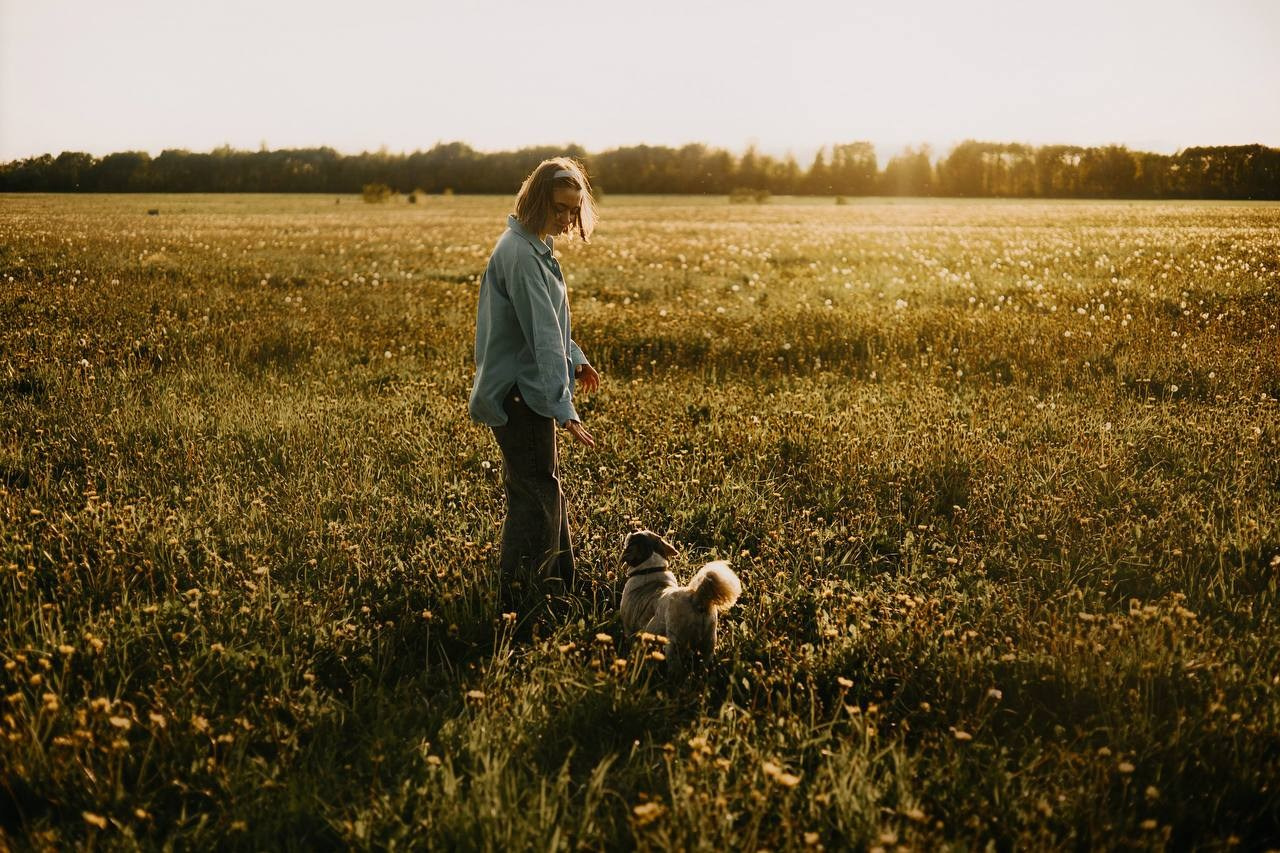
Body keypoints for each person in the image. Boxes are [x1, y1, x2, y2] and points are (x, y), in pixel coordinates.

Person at [468, 157, 602, 613]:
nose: (566, 219)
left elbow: (552, 325)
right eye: (560, 208)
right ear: (537, 200)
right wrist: (565, 409)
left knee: (541, 487)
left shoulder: (533, 246)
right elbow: (543, 339)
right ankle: (523, 596)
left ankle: (560, 586)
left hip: (524, 389)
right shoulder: (522, 254)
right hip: (519, 394)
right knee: (536, 494)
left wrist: (577, 359)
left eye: (573, 209)